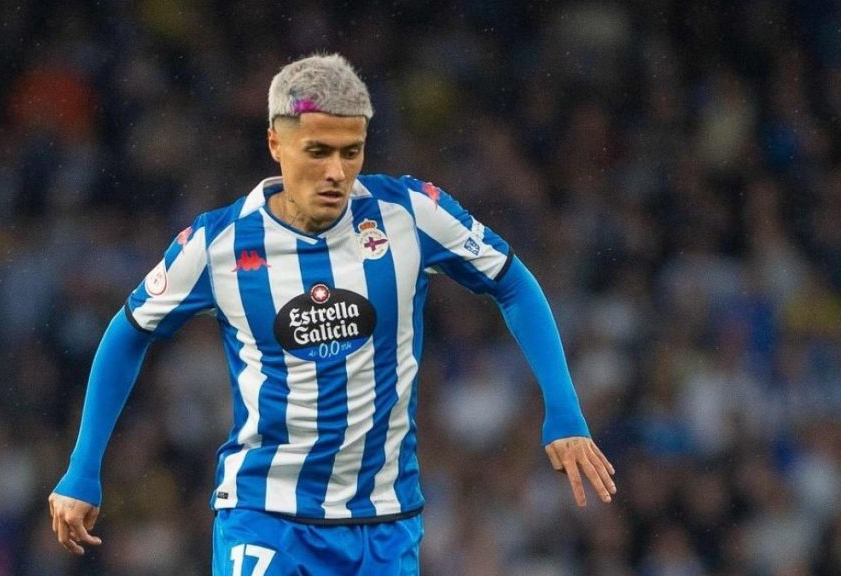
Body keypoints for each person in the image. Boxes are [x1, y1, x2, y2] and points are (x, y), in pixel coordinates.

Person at [48, 53, 616, 575]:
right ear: (275, 143)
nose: (337, 173)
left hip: (384, 525)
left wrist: (563, 409)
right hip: (265, 516)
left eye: (351, 151)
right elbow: (129, 332)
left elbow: (512, 282)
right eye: (318, 151)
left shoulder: (410, 213)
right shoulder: (219, 243)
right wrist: (84, 466)